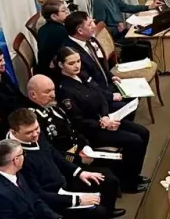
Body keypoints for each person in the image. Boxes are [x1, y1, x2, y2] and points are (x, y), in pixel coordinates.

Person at [7, 108, 119, 219]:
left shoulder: (37, 135)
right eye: (29, 132)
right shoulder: (17, 158)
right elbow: (38, 195)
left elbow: (54, 154)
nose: (35, 134)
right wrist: (77, 200)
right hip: (51, 199)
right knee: (97, 212)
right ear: (14, 132)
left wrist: (79, 172)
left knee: (105, 181)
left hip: (61, 183)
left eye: (37, 129)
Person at [55, 47, 150, 194]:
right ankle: (128, 183)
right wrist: (101, 123)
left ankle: (134, 174)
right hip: (91, 129)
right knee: (134, 141)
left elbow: (100, 96)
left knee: (143, 132)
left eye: (78, 61)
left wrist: (105, 116)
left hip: (105, 119)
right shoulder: (65, 89)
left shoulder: (82, 75)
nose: (77, 66)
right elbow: (77, 121)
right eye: (71, 63)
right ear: (61, 65)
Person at [27, 73, 130, 190]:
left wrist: (84, 145)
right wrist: (78, 159)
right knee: (108, 179)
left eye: (53, 90)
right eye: (47, 92)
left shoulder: (54, 107)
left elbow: (73, 129)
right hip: (66, 163)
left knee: (116, 161)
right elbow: (52, 151)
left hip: (78, 150)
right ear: (33, 95)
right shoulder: (34, 120)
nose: (52, 95)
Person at [91, 0, 157, 60]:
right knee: (143, 44)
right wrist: (116, 28)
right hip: (115, 35)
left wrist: (148, 7)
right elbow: (100, 26)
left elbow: (126, 7)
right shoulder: (98, 1)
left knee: (146, 35)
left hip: (120, 31)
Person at [36, 0, 72, 73]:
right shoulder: (61, 31)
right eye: (63, 11)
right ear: (54, 16)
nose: (67, 12)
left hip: (42, 69)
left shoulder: (42, 29)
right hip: (54, 71)